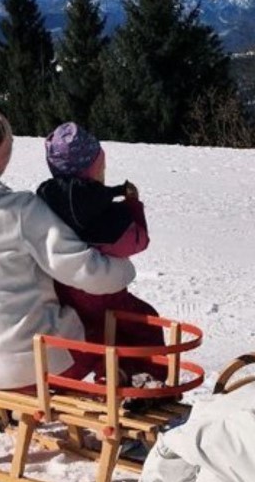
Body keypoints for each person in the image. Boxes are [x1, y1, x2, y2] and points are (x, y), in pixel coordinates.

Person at [0, 108, 136, 390]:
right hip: (32, 367)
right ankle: (130, 384)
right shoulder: (21, 210)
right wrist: (125, 269)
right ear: (6, 152)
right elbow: (87, 272)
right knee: (107, 321)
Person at [36, 122, 165, 381]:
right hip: (103, 296)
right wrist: (133, 205)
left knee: (94, 335)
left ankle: (108, 374)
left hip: (62, 296)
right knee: (144, 325)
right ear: (93, 169)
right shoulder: (102, 210)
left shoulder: (44, 200)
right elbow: (137, 241)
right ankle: (141, 380)